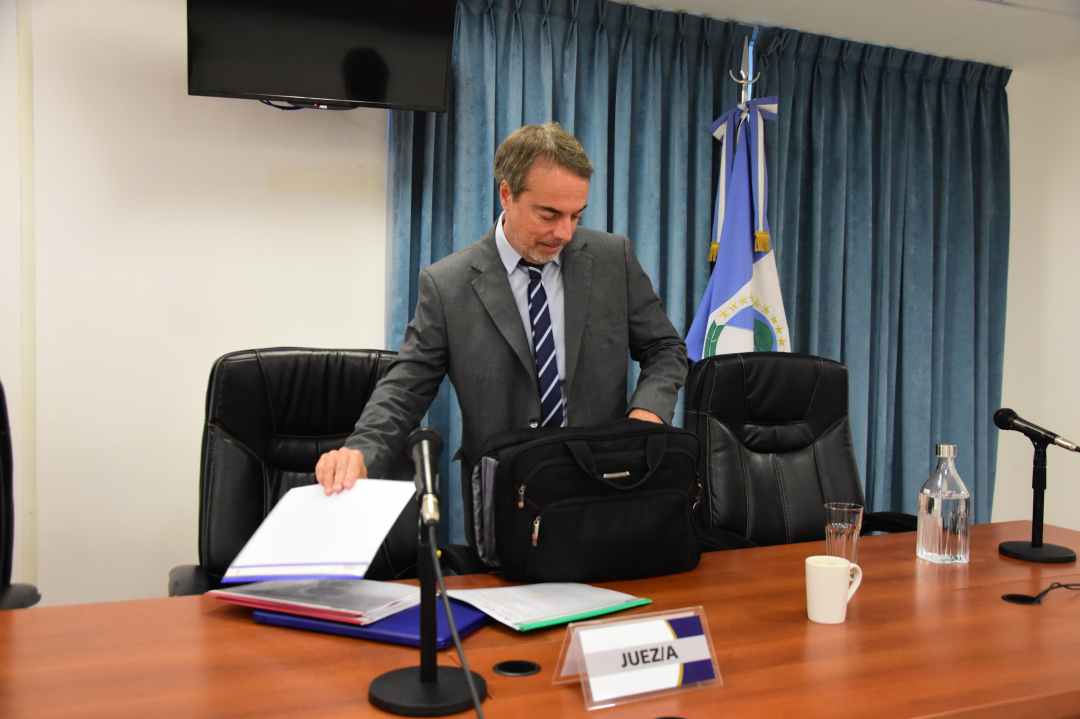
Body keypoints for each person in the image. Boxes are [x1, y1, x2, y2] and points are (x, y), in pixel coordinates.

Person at [315, 122, 687, 502]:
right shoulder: (448, 286)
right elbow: (405, 387)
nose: (565, 233)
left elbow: (665, 349)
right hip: (505, 494)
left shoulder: (612, 259)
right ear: (506, 194)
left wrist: (648, 414)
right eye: (549, 214)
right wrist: (360, 451)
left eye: (576, 216)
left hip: (605, 485)